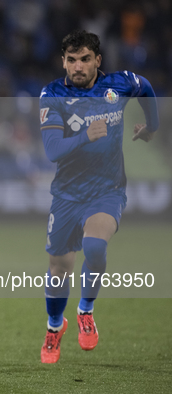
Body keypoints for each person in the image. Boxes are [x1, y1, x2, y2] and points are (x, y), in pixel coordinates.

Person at [39, 30, 159, 363]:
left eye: (85, 59)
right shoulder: (52, 94)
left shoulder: (119, 85)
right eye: (71, 59)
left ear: (97, 61)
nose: (78, 66)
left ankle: (85, 311)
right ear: (63, 61)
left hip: (107, 190)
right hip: (66, 195)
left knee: (94, 248)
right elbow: (52, 150)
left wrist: (152, 127)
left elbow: (146, 87)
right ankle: (54, 328)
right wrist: (85, 137)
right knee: (59, 267)